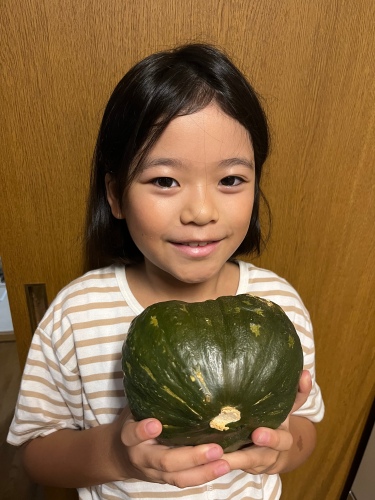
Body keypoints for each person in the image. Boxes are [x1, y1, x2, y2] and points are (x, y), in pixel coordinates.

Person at [8, 43, 324, 499]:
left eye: (231, 179)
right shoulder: (78, 313)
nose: (200, 211)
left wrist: (284, 451)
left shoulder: (280, 305)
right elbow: (34, 456)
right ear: (116, 195)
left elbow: (305, 428)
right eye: (164, 181)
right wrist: (116, 456)